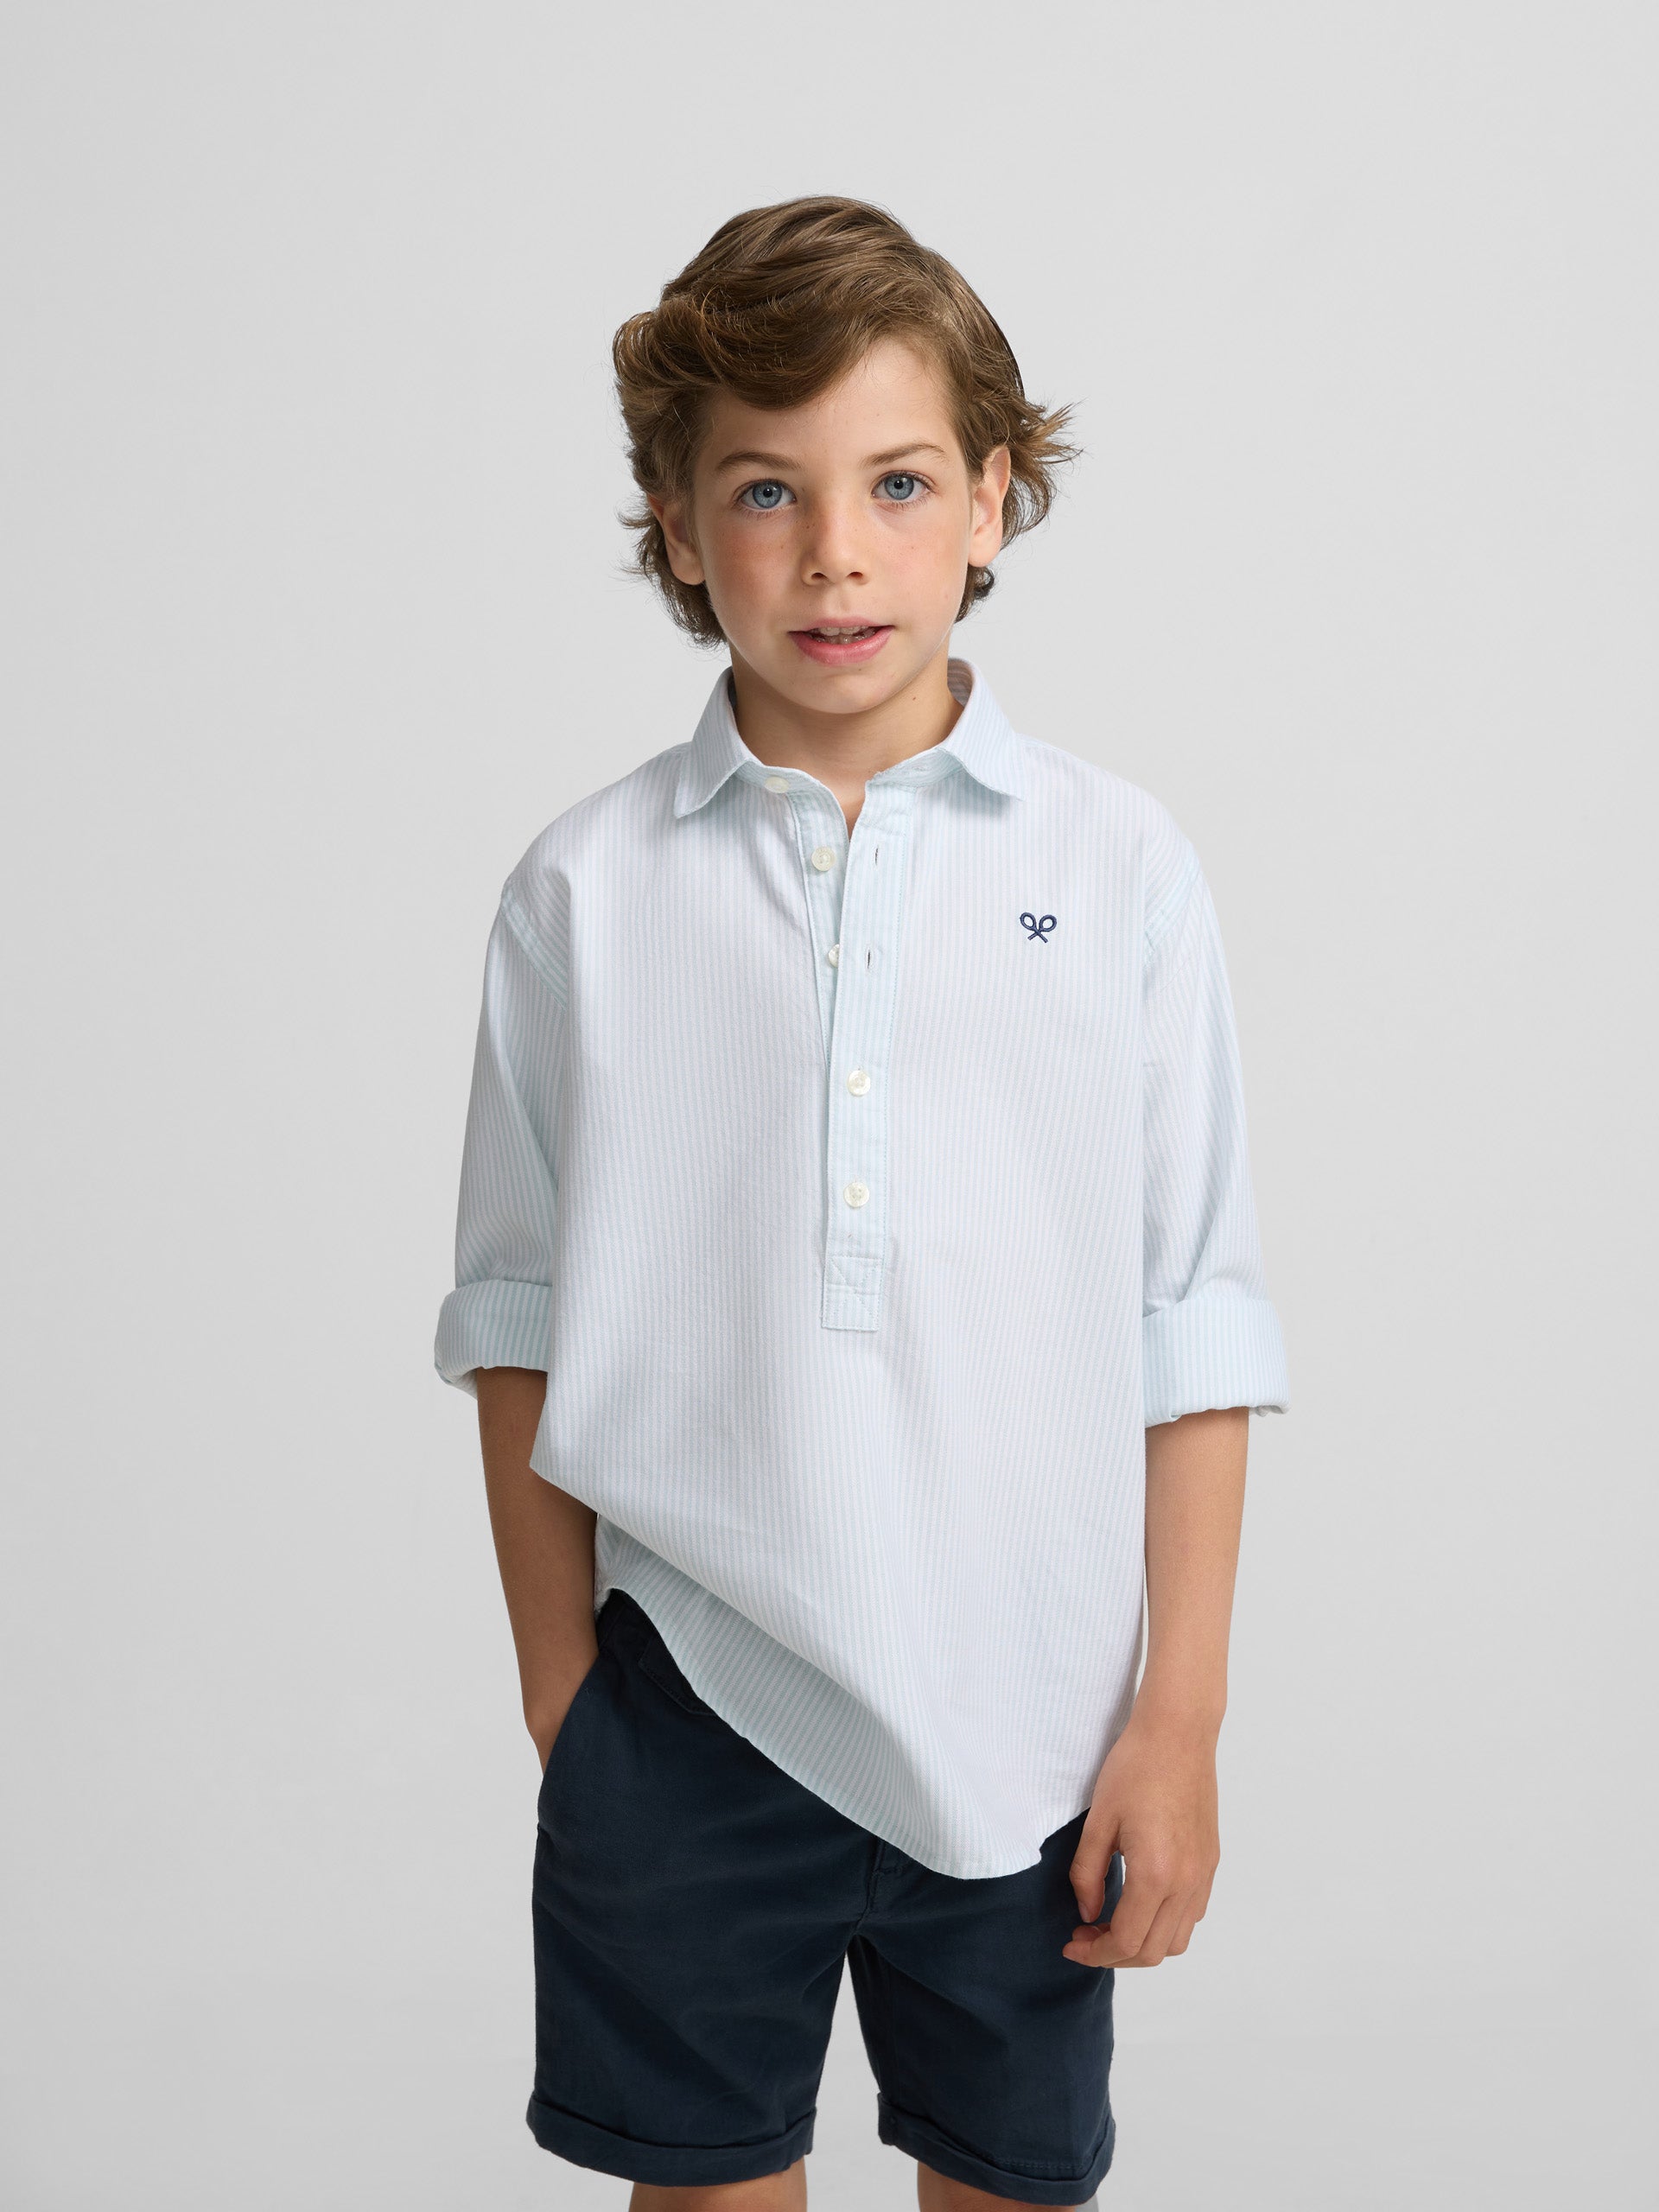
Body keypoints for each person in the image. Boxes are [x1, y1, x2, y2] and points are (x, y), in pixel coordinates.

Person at [434, 195, 1289, 2212]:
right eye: (766, 489)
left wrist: (1177, 1714)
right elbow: (515, 1315)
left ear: (990, 501)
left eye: (898, 483)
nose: (835, 552)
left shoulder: (1120, 867)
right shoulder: (583, 893)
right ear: (675, 524)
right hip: (691, 1705)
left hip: (1033, 1721)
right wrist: (573, 1709)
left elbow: (1193, 1313)